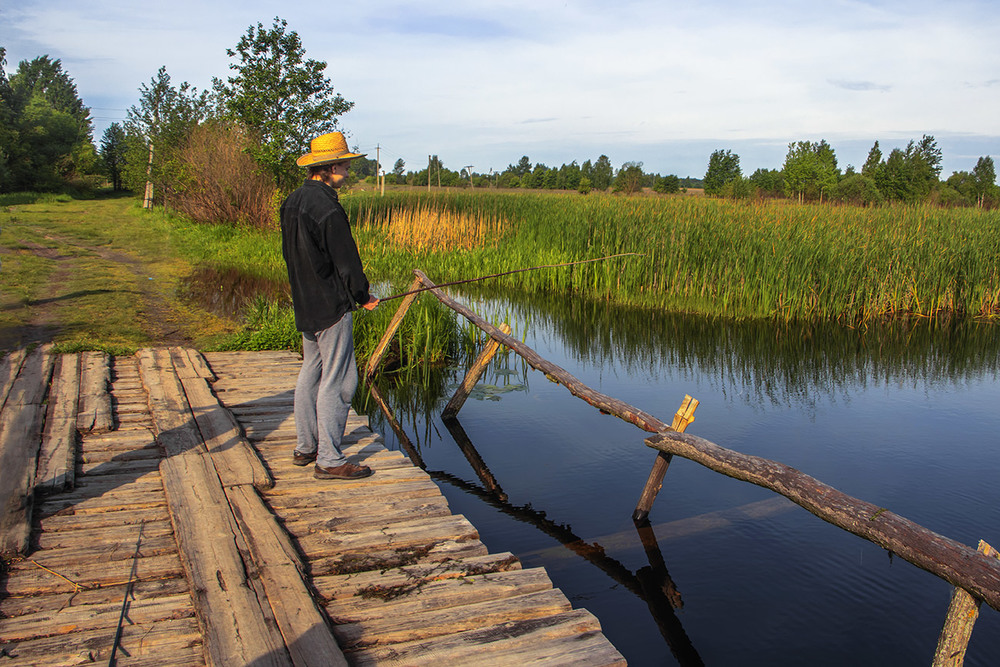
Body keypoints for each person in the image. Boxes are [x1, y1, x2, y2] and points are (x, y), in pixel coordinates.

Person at [280, 131, 379, 480]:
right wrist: (363, 296)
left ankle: (305, 446)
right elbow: (346, 262)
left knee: (311, 372)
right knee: (340, 380)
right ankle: (329, 460)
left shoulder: (292, 201)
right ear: (331, 168)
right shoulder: (328, 208)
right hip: (331, 305)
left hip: (305, 302)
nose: (348, 173)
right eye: (346, 167)